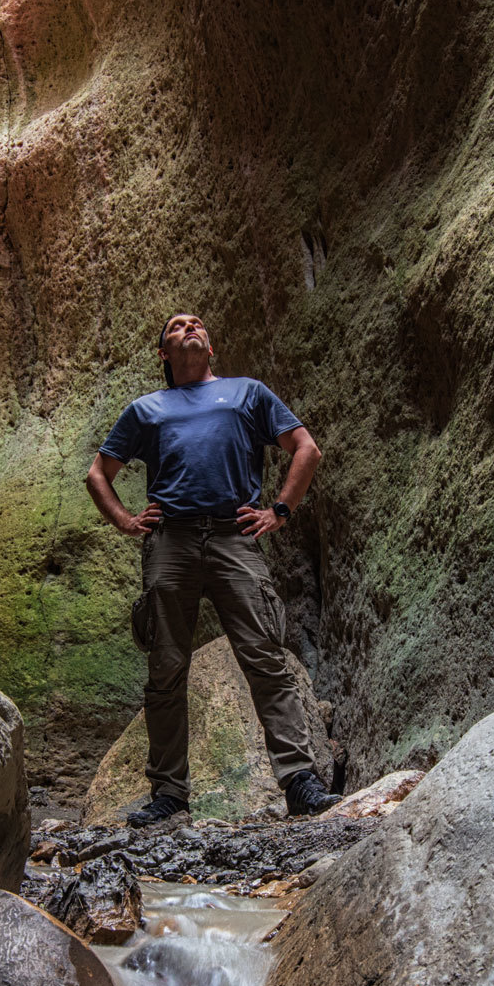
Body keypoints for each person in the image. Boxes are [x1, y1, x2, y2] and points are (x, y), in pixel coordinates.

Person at [86, 311, 337, 826]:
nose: (191, 327)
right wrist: (127, 521)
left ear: (212, 347)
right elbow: (98, 474)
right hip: (170, 541)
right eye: (178, 326)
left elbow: (306, 449)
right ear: (164, 353)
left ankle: (300, 783)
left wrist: (280, 510)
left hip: (234, 538)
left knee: (266, 660)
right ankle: (170, 797)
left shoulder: (247, 393)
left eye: (197, 324)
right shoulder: (146, 408)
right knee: (166, 668)